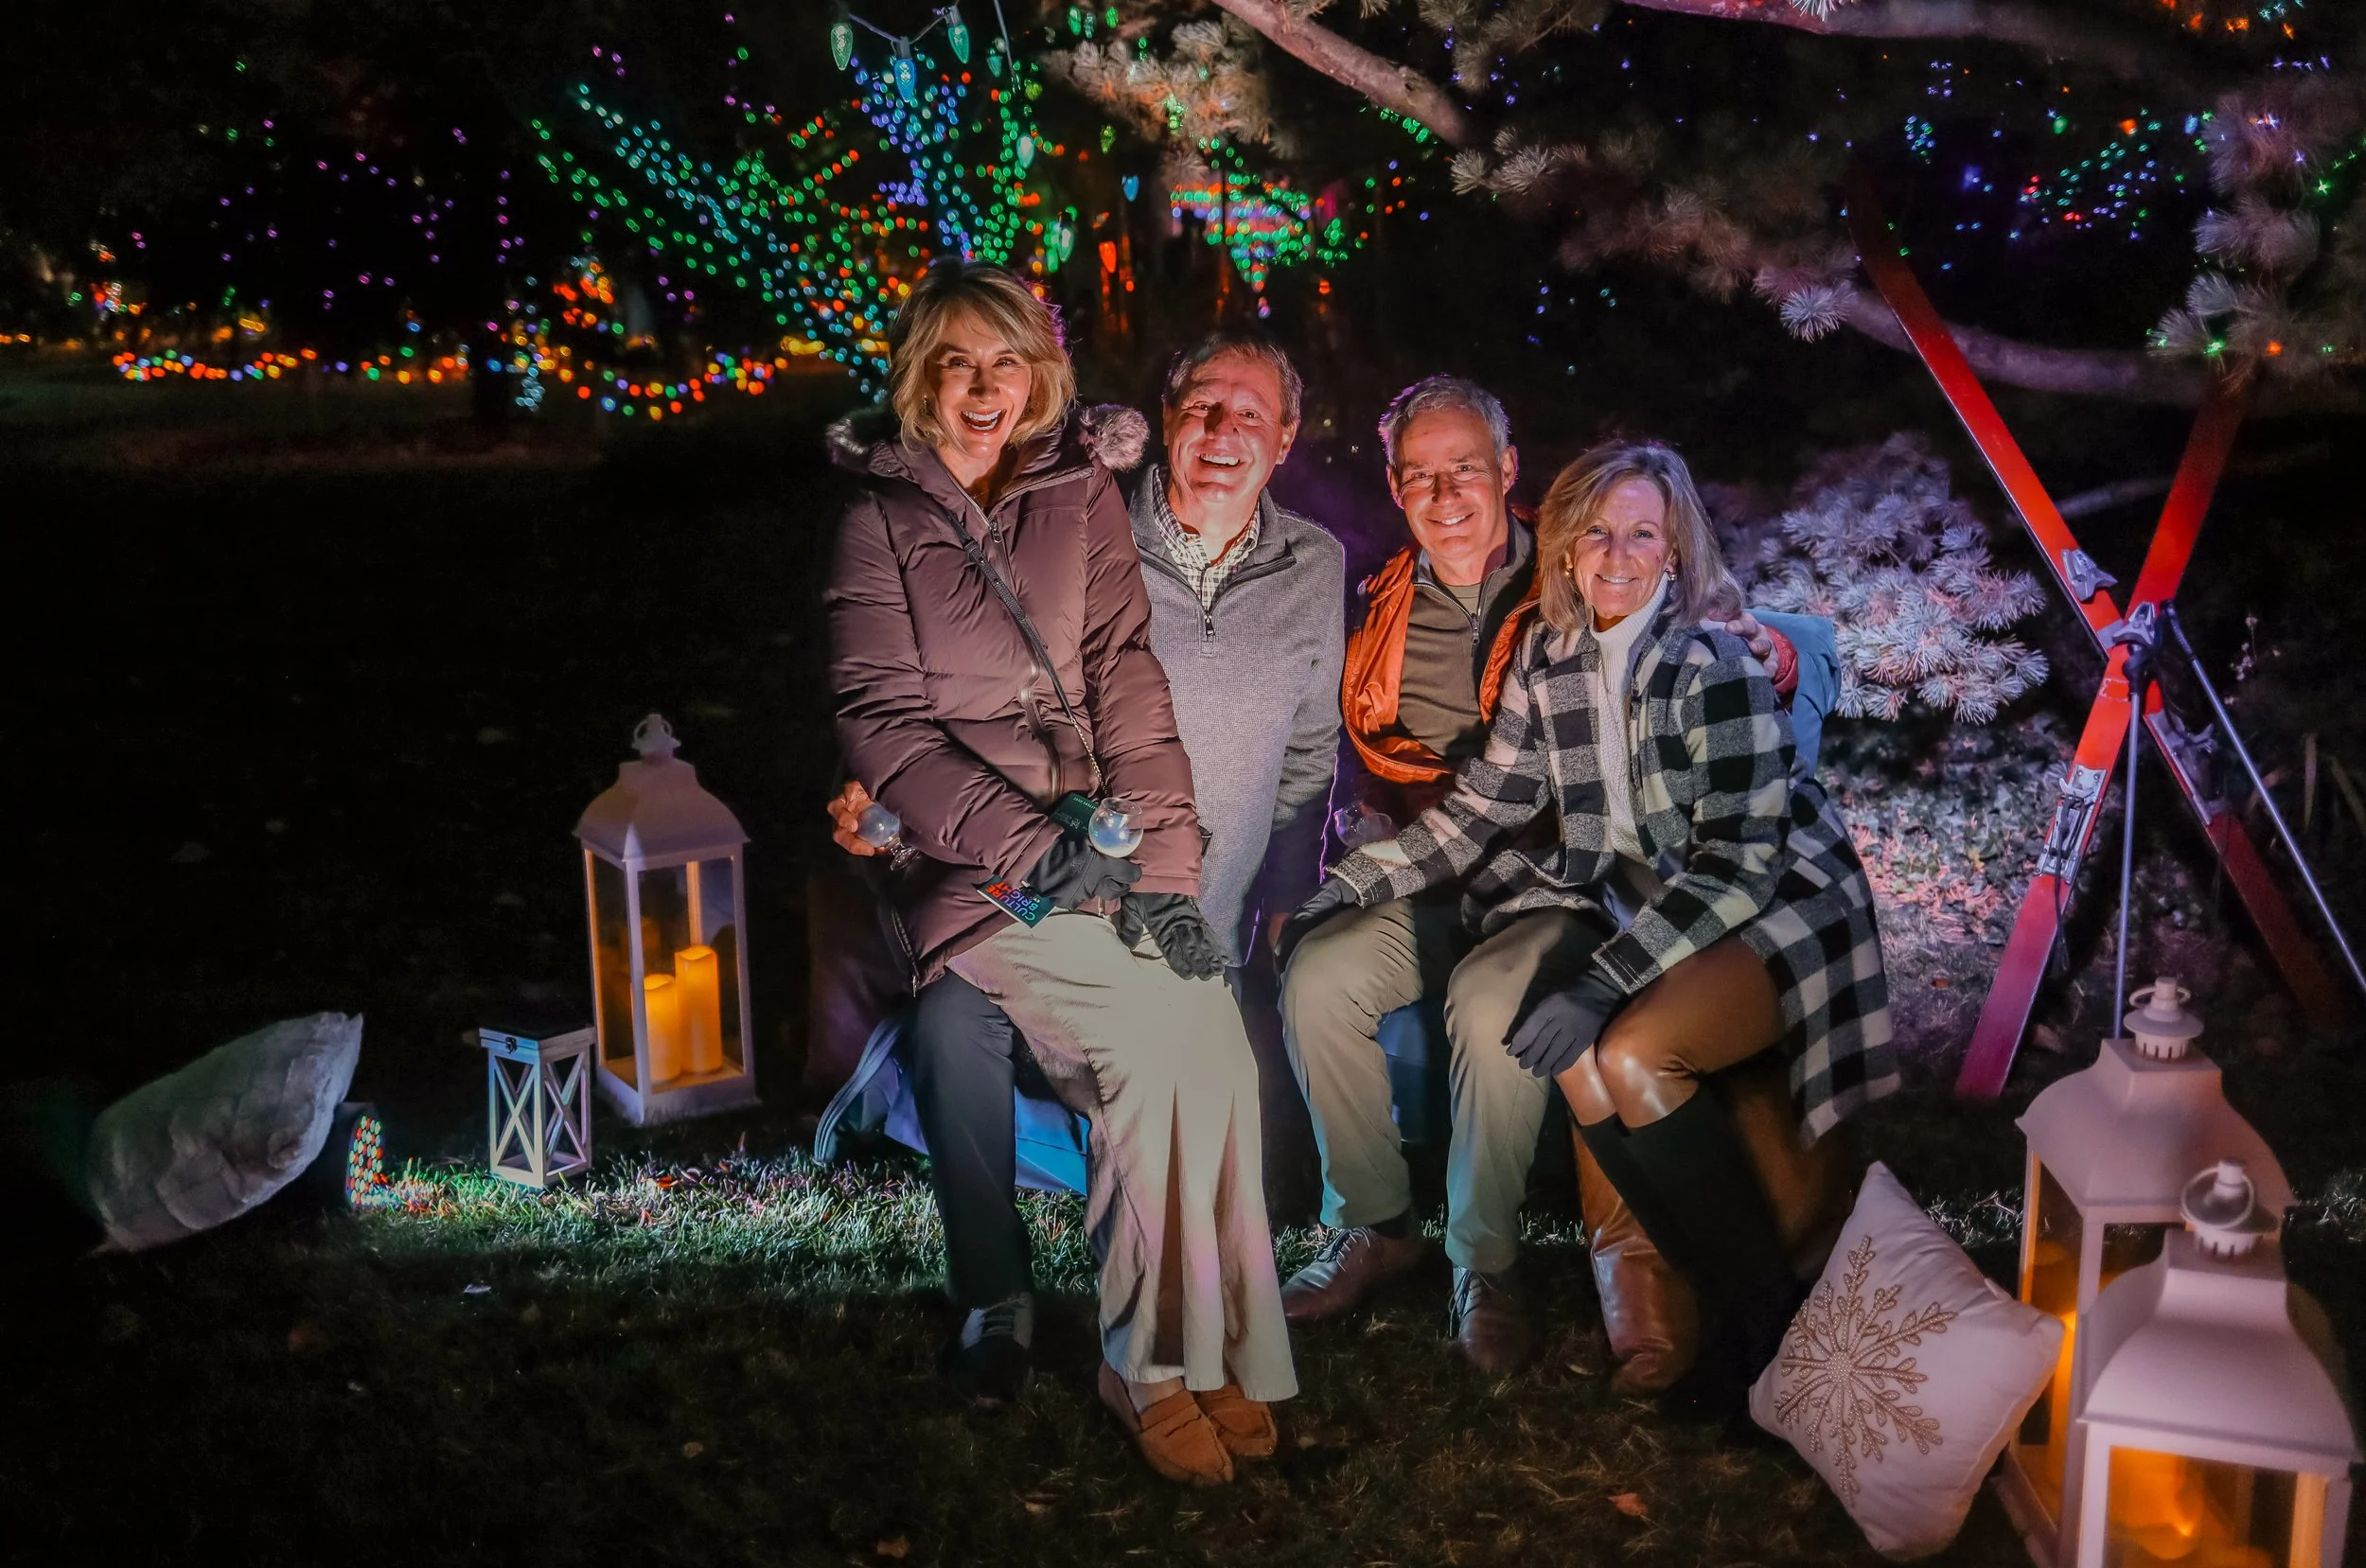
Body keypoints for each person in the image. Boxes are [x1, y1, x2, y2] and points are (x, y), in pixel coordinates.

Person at [1289, 438, 1896, 1402]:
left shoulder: (1710, 662)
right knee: (1573, 1055)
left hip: (1774, 906)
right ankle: (1731, 1314)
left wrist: (1601, 979)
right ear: (1566, 547)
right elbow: (1484, 806)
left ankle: (1766, 1327)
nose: (1617, 554)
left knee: (1627, 1054)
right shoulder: (1553, 654)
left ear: (1674, 549)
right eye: (1598, 533)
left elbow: (1742, 863)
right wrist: (1353, 885)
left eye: (1642, 533)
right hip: (1657, 901)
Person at [824, 263, 1295, 1486]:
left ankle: (1222, 1347)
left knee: (1212, 1038)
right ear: (921, 375)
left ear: (1043, 377)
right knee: (1146, 1051)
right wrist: (1039, 850)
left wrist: (1169, 876)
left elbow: (1125, 679)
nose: (987, 391)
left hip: (1110, 855)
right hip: (981, 878)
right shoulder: (877, 520)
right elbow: (885, 732)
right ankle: (1144, 1365)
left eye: (1009, 364)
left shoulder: (1079, 489)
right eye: (960, 365)